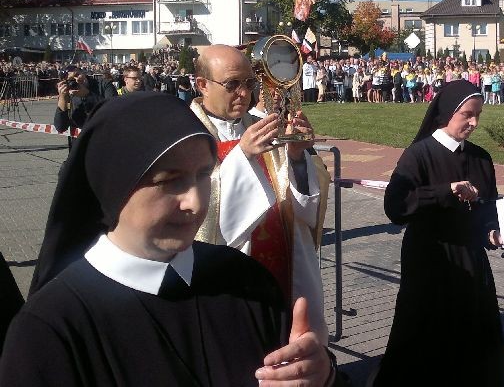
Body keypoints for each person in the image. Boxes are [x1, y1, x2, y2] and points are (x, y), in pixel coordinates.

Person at [14, 92, 334, 386]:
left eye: (203, 175)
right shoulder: (49, 329)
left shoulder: (247, 281)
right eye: (170, 181)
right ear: (112, 186)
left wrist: (321, 375)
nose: (195, 202)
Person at [374, 81, 504, 387]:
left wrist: (494, 236)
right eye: (468, 115)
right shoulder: (419, 154)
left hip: (471, 261)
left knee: (475, 342)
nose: (474, 123)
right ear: (447, 113)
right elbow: (396, 206)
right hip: (430, 259)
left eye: (478, 115)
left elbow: (485, 214)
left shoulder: (481, 158)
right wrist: (446, 191)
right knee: (425, 341)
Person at [189, 44, 331, 343]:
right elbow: (194, 209)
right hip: (227, 271)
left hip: (285, 262)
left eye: (249, 83)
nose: (243, 93)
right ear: (202, 84)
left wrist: (296, 155)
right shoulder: (184, 135)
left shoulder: (266, 127)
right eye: (232, 84)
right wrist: (242, 156)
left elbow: (305, 205)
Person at [53, 67, 103, 134]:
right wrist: (62, 98)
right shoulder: (68, 95)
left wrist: (88, 95)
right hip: (80, 142)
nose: (77, 80)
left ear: (83, 72)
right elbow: (60, 127)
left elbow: (114, 109)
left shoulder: (102, 85)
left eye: (77, 75)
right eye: (71, 80)